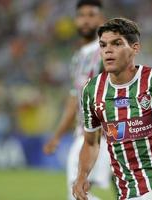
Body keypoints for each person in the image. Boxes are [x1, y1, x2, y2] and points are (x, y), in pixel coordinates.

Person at [72, 18, 152, 200]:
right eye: (103, 45)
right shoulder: (92, 91)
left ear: (135, 48)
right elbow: (92, 142)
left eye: (116, 44)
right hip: (129, 195)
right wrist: (82, 176)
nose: (108, 50)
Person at [43, 1, 111, 200]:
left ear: (101, 19)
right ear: (75, 20)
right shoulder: (79, 58)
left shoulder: (107, 53)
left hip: (102, 135)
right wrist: (57, 135)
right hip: (84, 133)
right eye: (82, 15)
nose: (86, 20)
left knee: (78, 193)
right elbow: (75, 100)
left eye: (92, 15)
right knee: (79, 193)